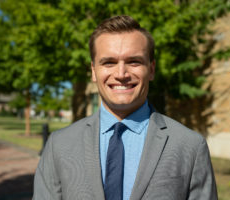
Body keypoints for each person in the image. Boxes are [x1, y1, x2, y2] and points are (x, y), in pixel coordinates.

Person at [33, 15, 218, 200]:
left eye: (133, 62)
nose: (121, 74)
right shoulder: (59, 144)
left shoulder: (191, 146)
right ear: (93, 71)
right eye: (109, 63)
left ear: (151, 69)